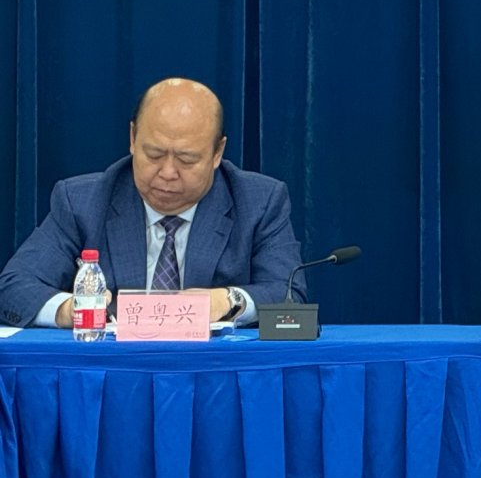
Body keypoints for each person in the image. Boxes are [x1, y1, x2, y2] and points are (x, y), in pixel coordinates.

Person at [0, 77, 304, 328]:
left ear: (217, 153)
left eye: (187, 159)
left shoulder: (259, 201)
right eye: (154, 154)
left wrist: (228, 300)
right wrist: (70, 310)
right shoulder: (82, 201)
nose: (168, 173)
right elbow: (14, 287)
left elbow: (289, 294)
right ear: (133, 138)